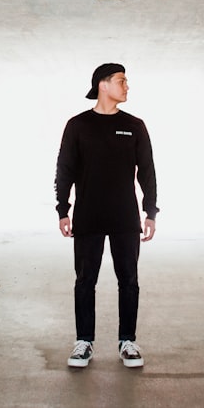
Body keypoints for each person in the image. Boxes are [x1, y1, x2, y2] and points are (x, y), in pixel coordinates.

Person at [54, 63, 159, 369]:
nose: (127, 87)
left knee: (129, 280)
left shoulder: (135, 125)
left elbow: (147, 171)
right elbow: (65, 169)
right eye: (121, 81)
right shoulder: (78, 125)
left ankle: (128, 341)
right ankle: (83, 342)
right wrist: (63, 208)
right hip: (88, 216)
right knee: (85, 280)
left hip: (125, 217)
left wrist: (150, 211)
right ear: (103, 85)